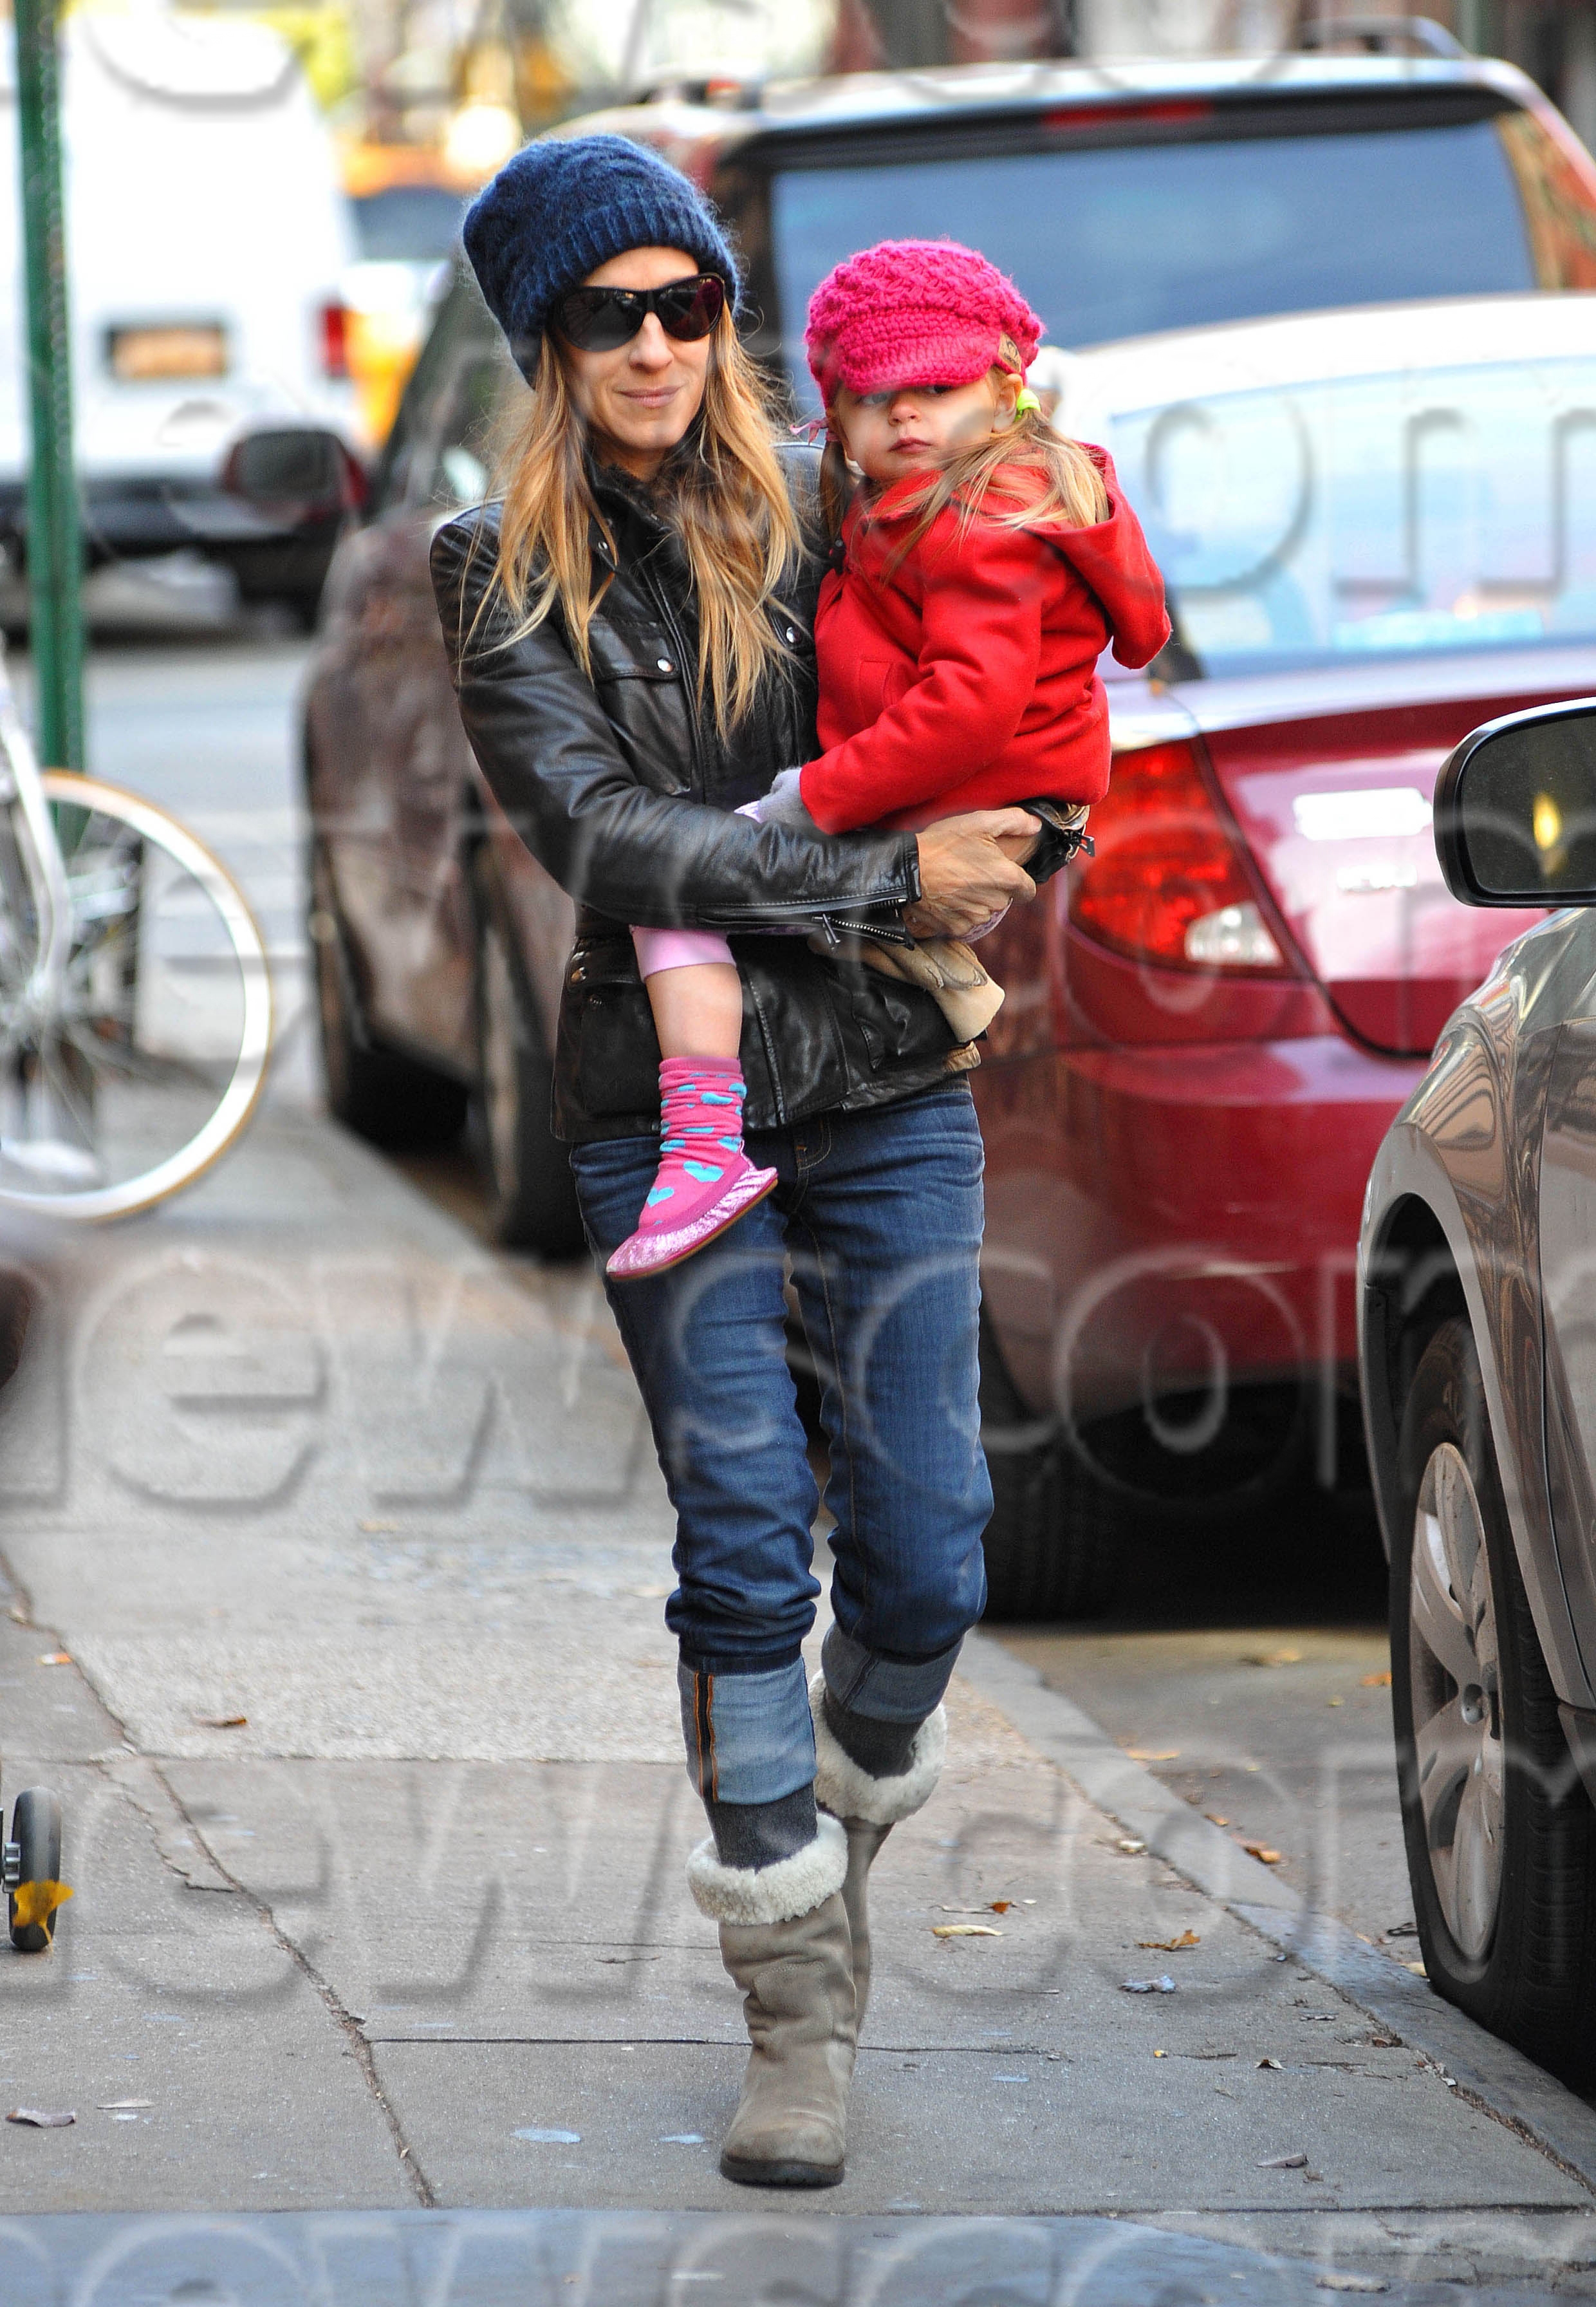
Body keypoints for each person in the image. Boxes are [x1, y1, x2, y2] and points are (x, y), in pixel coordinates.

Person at [431, 134, 1083, 2192]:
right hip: (664, 1104)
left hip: (883, 1076)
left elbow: (1023, 679)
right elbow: (600, 833)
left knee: (931, 1552)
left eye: (686, 302)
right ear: (549, 342)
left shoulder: (838, 497)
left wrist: (1030, 828)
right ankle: (793, 2011)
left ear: (726, 315)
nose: (653, 345)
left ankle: (830, 1850)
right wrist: (887, 870)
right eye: (607, 313)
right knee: (739, 1543)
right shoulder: (495, 564)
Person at [607, 237, 1170, 1281]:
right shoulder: (939, 501)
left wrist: (811, 800)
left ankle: (702, 1147)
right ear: (836, 412)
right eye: (873, 397)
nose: (907, 416)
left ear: (1005, 389)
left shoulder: (980, 519)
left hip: (967, 794)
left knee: (677, 886)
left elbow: (967, 708)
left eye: (937, 388)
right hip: (997, 803)